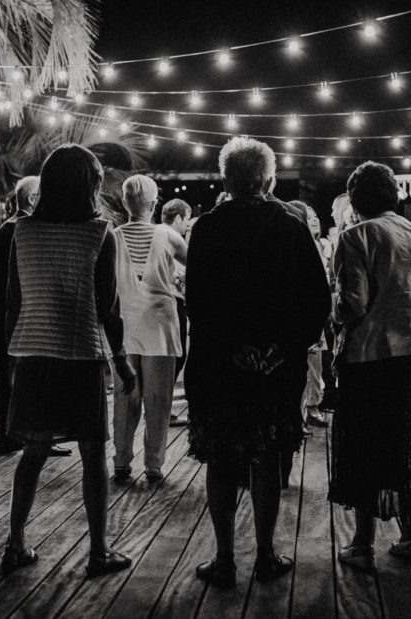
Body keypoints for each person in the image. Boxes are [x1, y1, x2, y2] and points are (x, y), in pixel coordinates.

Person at [185, 136, 329, 587]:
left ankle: (225, 558)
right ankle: (266, 554)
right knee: (267, 459)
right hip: (275, 372)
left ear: (226, 179)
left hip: (220, 369)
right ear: (268, 178)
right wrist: (281, 348)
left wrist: (234, 348)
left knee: (222, 461)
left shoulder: (206, 228)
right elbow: (317, 300)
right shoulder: (291, 226)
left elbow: (198, 301)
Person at [3, 144, 137, 576]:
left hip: (34, 353)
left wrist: (13, 354)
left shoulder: (22, 230)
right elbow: (108, 308)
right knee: (94, 452)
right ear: (90, 185)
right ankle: (99, 551)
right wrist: (121, 359)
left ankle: (15, 543)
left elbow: (12, 302)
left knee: (34, 451)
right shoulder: (102, 233)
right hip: (81, 352)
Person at [328, 161, 411, 571]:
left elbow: (354, 303)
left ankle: (361, 544)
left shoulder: (356, 235)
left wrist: (333, 308)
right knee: (409, 442)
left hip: (371, 354)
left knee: (363, 441)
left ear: (356, 200)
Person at [111, 175, 187, 483]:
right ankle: (154, 465)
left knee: (124, 396)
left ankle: (120, 461)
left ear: (125, 203)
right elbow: (195, 263)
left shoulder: (112, 236)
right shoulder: (168, 235)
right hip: (160, 325)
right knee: (158, 399)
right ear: (154, 204)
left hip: (124, 325)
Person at [0, 176, 72, 458]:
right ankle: (23, 436)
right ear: (33, 199)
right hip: (22, 314)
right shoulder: (21, 228)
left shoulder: (6, 228)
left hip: (6, 312)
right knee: (24, 377)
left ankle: (13, 435)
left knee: (12, 375)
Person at [287, 200, 331, 430]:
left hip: (314, 309)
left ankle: (312, 407)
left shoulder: (319, 243)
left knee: (315, 364)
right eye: (308, 215)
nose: (314, 218)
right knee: (301, 363)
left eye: (315, 215)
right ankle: (300, 413)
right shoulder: (301, 242)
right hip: (302, 310)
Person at [161, 198, 192, 428]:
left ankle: (162, 407)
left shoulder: (154, 233)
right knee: (177, 355)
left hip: (162, 303)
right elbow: (192, 264)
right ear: (179, 217)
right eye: (186, 219)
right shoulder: (173, 237)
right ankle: (164, 409)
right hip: (173, 301)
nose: (187, 225)